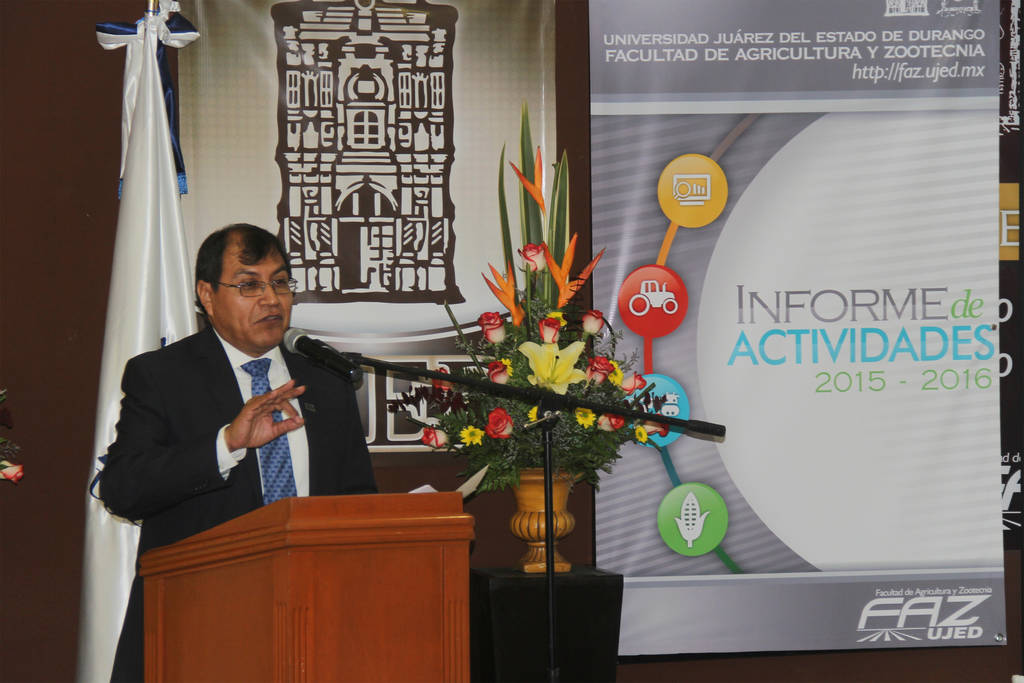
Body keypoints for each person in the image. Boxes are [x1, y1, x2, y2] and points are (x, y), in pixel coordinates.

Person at [99, 223, 377, 682]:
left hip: (317, 624)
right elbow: (122, 489)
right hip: (201, 628)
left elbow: (356, 497)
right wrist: (226, 443)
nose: (271, 299)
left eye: (280, 282)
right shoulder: (163, 376)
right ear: (207, 296)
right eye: (249, 285)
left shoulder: (326, 380)